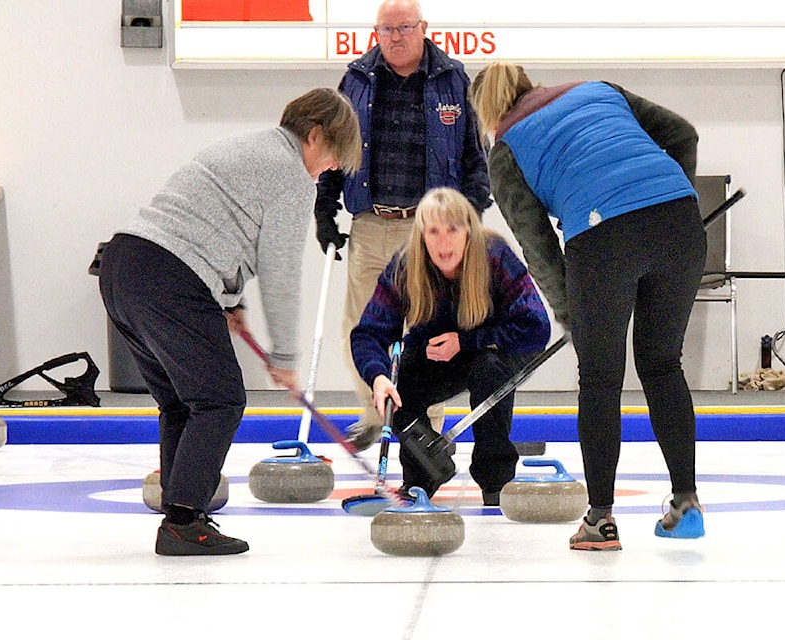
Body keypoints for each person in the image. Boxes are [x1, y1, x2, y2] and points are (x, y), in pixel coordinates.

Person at [98, 88, 361, 556]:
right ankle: (183, 524)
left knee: (183, 401)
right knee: (220, 400)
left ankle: (182, 511)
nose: (333, 169)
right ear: (315, 135)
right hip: (168, 277)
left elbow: (218, 226)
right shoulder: (292, 177)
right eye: (335, 156)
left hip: (122, 268)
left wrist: (232, 301)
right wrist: (283, 355)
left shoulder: (247, 145)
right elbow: (280, 272)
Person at [470, 62, 707, 550]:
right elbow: (683, 133)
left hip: (601, 237)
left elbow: (538, 247)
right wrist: (665, 195)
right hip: (680, 221)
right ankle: (686, 504)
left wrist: (569, 311)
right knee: (663, 366)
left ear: (488, 111)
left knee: (600, 379)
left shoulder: (506, 150)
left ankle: (600, 521)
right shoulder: (597, 89)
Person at [314, 0, 492, 451]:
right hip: (372, 222)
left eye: (404, 28)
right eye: (386, 29)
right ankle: (376, 416)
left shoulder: (452, 79)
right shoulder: (354, 80)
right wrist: (325, 207)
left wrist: (468, 219)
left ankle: (425, 426)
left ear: (423, 28)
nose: (395, 37)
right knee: (362, 323)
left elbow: (475, 155)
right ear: (376, 33)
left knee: (428, 326)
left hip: (432, 229)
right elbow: (334, 151)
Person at [350, 187, 550, 505]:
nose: (444, 242)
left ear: (469, 230)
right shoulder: (405, 265)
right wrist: (378, 377)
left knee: (489, 370)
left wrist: (469, 341)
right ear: (421, 236)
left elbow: (536, 327)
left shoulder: (494, 254)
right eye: (433, 231)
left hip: (498, 350)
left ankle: (495, 479)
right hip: (439, 353)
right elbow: (368, 334)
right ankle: (424, 472)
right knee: (399, 387)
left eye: (453, 230)